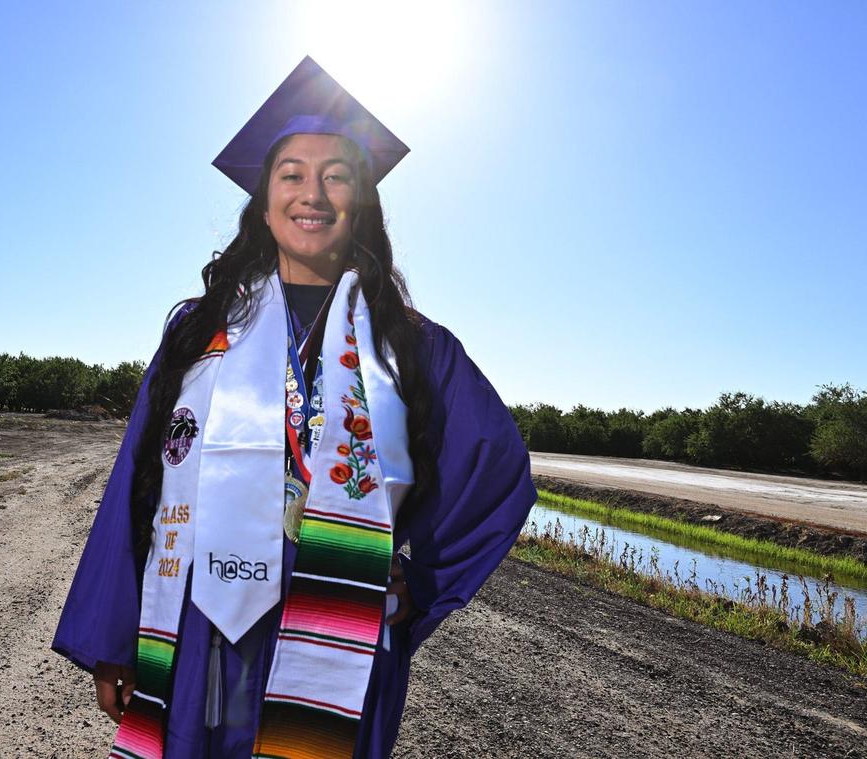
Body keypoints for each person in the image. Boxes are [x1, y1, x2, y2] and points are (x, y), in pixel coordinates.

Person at [52, 56, 537, 759]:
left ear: (362, 199)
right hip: (200, 628)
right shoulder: (199, 329)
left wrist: (416, 583)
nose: (314, 193)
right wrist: (113, 640)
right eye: (292, 173)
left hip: (333, 623)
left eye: (337, 174)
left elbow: (495, 472)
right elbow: (140, 481)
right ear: (264, 196)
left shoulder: (411, 345)